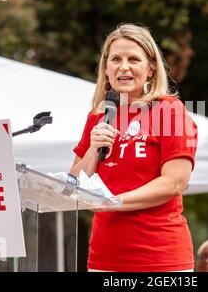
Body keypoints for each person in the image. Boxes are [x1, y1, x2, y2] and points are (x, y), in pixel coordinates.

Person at [69, 23, 198, 272]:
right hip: (104, 259)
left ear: (150, 69)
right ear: (106, 68)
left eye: (133, 59)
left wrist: (113, 201)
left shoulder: (169, 111)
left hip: (161, 259)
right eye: (116, 59)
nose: (123, 66)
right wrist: (92, 150)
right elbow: (74, 184)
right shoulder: (98, 116)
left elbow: (175, 182)